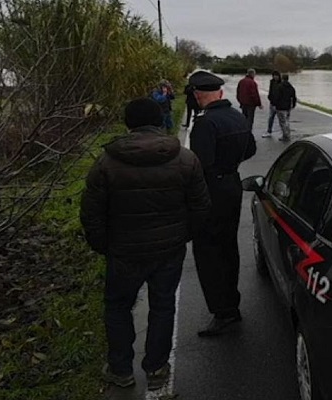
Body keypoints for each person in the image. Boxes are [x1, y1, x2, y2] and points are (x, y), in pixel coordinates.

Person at [80, 98, 211, 390]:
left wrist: (104, 245)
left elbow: (91, 213)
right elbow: (201, 207)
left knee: (117, 307)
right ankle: (156, 368)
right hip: (168, 250)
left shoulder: (107, 163)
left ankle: (120, 368)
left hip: (123, 251)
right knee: (163, 307)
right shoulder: (186, 158)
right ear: (159, 120)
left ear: (128, 123)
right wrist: (182, 235)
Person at [188, 70, 258, 336]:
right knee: (228, 246)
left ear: (197, 95)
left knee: (208, 251)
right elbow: (250, 149)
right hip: (232, 185)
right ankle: (232, 304)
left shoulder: (206, 124)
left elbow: (199, 164)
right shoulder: (236, 116)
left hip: (211, 189)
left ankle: (222, 311)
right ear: (220, 93)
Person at [273, 74, 297, 142]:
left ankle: (286, 136)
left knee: (282, 122)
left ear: (282, 78)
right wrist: (293, 105)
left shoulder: (279, 87)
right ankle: (287, 134)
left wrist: (274, 104)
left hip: (280, 107)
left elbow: (276, 96)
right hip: (288, 106)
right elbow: (294, 97)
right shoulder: (291, 87)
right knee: (287, 121)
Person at [264, 71, 282, 138]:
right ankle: (269, 131)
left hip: (279, 104)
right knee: (271, 117)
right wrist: (270, 98)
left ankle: (282, 132)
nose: (275, 77)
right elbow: (270, 91)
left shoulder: (281, 83)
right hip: (272, 103)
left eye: (276, 76)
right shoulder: (272, 82)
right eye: (274, 76)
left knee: (281, 119)